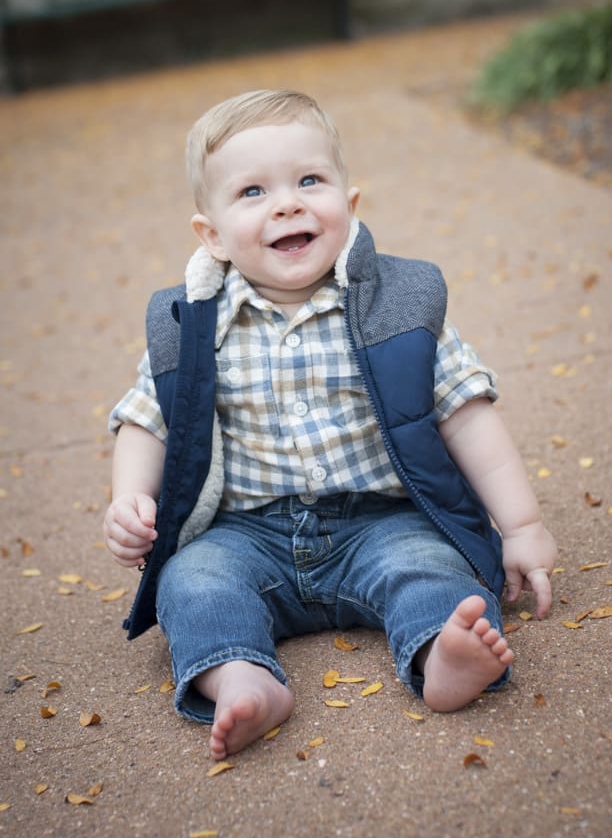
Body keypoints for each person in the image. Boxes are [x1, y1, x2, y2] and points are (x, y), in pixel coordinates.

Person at [103, 89, 557, 762]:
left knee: (433, 569)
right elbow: (146, 418)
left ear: (349, 204)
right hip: (246, 534)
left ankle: (443, 651)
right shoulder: (191, 326)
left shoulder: (399, 306)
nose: (287, 203)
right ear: (212, 235)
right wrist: (129, 497)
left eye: (309, 181)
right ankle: (243, 678)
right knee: (191, 582)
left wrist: (521, 527)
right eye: (253, 192)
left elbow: (467, 414)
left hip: (382, 521)